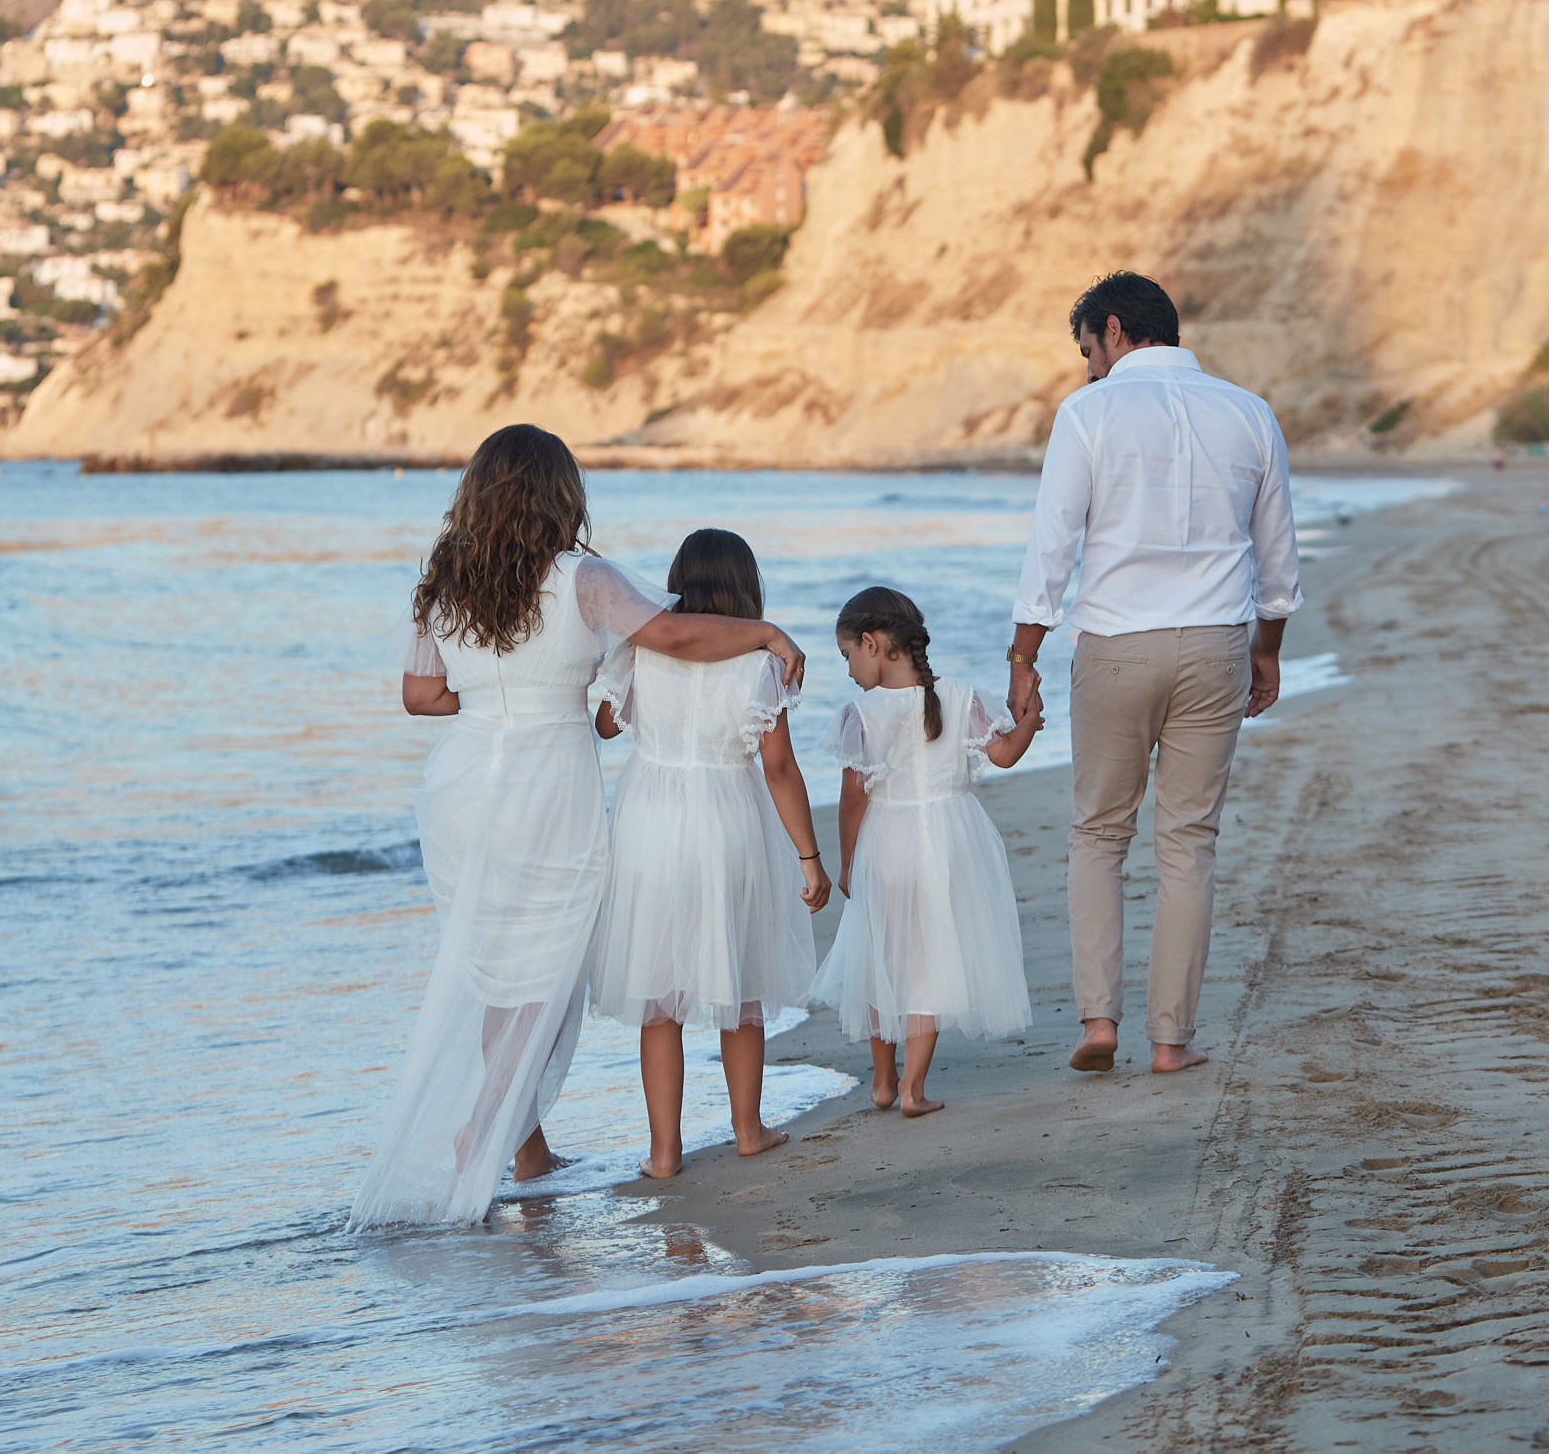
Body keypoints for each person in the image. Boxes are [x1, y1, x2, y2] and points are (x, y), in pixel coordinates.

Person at [347, 426, 806, 1231]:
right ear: (559, 494)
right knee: (547, 965)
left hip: (459, 784)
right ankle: (486, 1130)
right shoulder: (583, 578)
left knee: (498, 964)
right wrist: (765, 633)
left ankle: (523, 1145)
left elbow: (420, 696)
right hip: (546, 779)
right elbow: (669, 634)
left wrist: (494, 701)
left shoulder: (444, 581)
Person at [1008, 271, 1301, 1077]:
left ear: (1113, 330)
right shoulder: (1249, 412)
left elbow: (1052, 546)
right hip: (1215, 643)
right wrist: (1266, 647)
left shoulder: (1090, 413)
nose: (1086, 368)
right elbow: (1277, 561)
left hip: (1114, 646)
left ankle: (1100, 1020)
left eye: (1086, 352)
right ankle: (1171, 1040)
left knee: (1099, 832)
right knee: (1189, 842)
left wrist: (1023, 654)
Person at [585, 528, 831, 1182]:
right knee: (741, 980)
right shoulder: (760, 662)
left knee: (658, 997)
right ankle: (747, 1130)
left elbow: (607, 723)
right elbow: (778, 767)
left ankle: (664, 1152)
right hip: (729, 813)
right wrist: (809, 857)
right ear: (746, 589)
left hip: (652, 817)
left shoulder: (642, 646)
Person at [809, 587, 1043, 1117]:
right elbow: (1004, 754)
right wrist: (1029, 721)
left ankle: (883, 1082)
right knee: (927, 963)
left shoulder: (861, 713)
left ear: (872, 643)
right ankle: (914, 1089)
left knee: (881, 957)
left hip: (886, 842)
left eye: (847, 656)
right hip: (947, 841)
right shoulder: (961, 697)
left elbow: (853, 797)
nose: (848, 671)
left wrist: (848, 861)